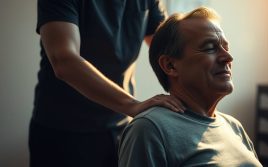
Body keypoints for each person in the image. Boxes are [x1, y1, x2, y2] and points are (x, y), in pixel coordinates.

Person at [29, 0, 185, 167]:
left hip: (121, 127)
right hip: (63, 132)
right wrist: (132, 105)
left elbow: (170, 52)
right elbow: (64, 61)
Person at [118, 6, 263, 167]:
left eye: (226, 48)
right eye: (209, 48)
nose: (228, 57)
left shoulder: (234, 126)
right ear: (170, 66)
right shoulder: (149, 129)